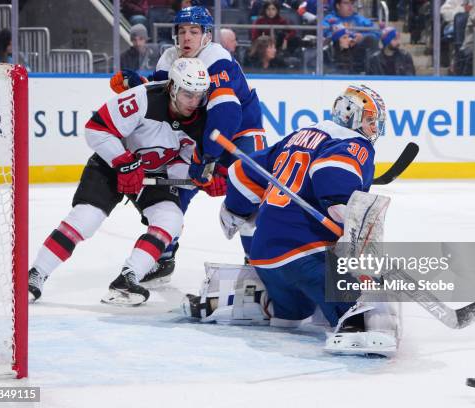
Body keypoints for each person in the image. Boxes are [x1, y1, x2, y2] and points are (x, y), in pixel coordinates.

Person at [183, 85, 401, 357]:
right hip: (304, 253)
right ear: (351, 116)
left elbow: (246, 171)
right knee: (368, 296)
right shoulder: (354, 144)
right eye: (369, 120)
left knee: (299, 310)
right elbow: (332, 173)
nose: (373, 128)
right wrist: (344, 212)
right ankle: (357, 324)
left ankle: (260, 300)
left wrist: (235, 210)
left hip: (264, 257)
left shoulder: (301, 135)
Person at [28, 58, 210, 306]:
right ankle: (36, 274)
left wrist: (196, 180)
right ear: (173, 88)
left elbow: (180, 162)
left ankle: (128, 278)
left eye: (199, 95)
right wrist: (125, 163)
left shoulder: (201, 119)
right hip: (112, 165)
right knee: (86, 219)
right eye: (189, 94)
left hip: (153, 174)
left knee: (171, 219)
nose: (194, 101)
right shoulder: (143, 98)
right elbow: (96, 128)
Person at [110, 6, 267, 275]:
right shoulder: (169, 57)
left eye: (194, 31)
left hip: (241, 132)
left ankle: (258, 261)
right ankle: (164, 254)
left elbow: (225, 115)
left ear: (206, 36)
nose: (187, 38)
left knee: (248, 192)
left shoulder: (217, 58)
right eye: (182, 31)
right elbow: (163, 101)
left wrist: (208, 160)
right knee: (173, 195)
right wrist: (140, 85)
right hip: (202, 133)